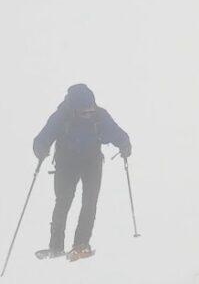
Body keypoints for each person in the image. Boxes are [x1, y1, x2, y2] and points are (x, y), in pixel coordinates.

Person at [32, 83, 131, 261]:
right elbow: (44, 135)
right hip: (66, 164)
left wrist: (124, 143)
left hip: (92, 162)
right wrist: (40, 148)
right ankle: (56, 247)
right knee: (63, 202)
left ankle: (81, 244)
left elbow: (115, 131)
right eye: (84, 112)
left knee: (90, 202)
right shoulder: (61, 116)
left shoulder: (99, 115)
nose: (88, 115)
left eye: (91, 110)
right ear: (75, 109)